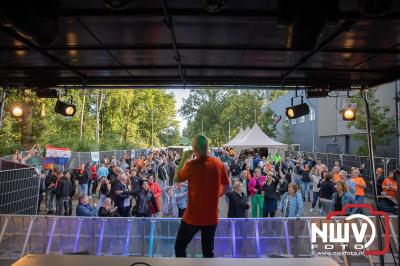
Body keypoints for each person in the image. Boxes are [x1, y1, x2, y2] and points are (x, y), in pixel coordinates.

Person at [174, 134, 229, 258]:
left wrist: (184, 158)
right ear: (207, 146)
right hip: (211, 217)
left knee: (180, 247)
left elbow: (177, 178)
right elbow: (226, 187)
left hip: (192, 217)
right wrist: (214, 196)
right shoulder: (218, 163)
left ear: (194, 149)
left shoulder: (191, 165)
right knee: (208, 252)